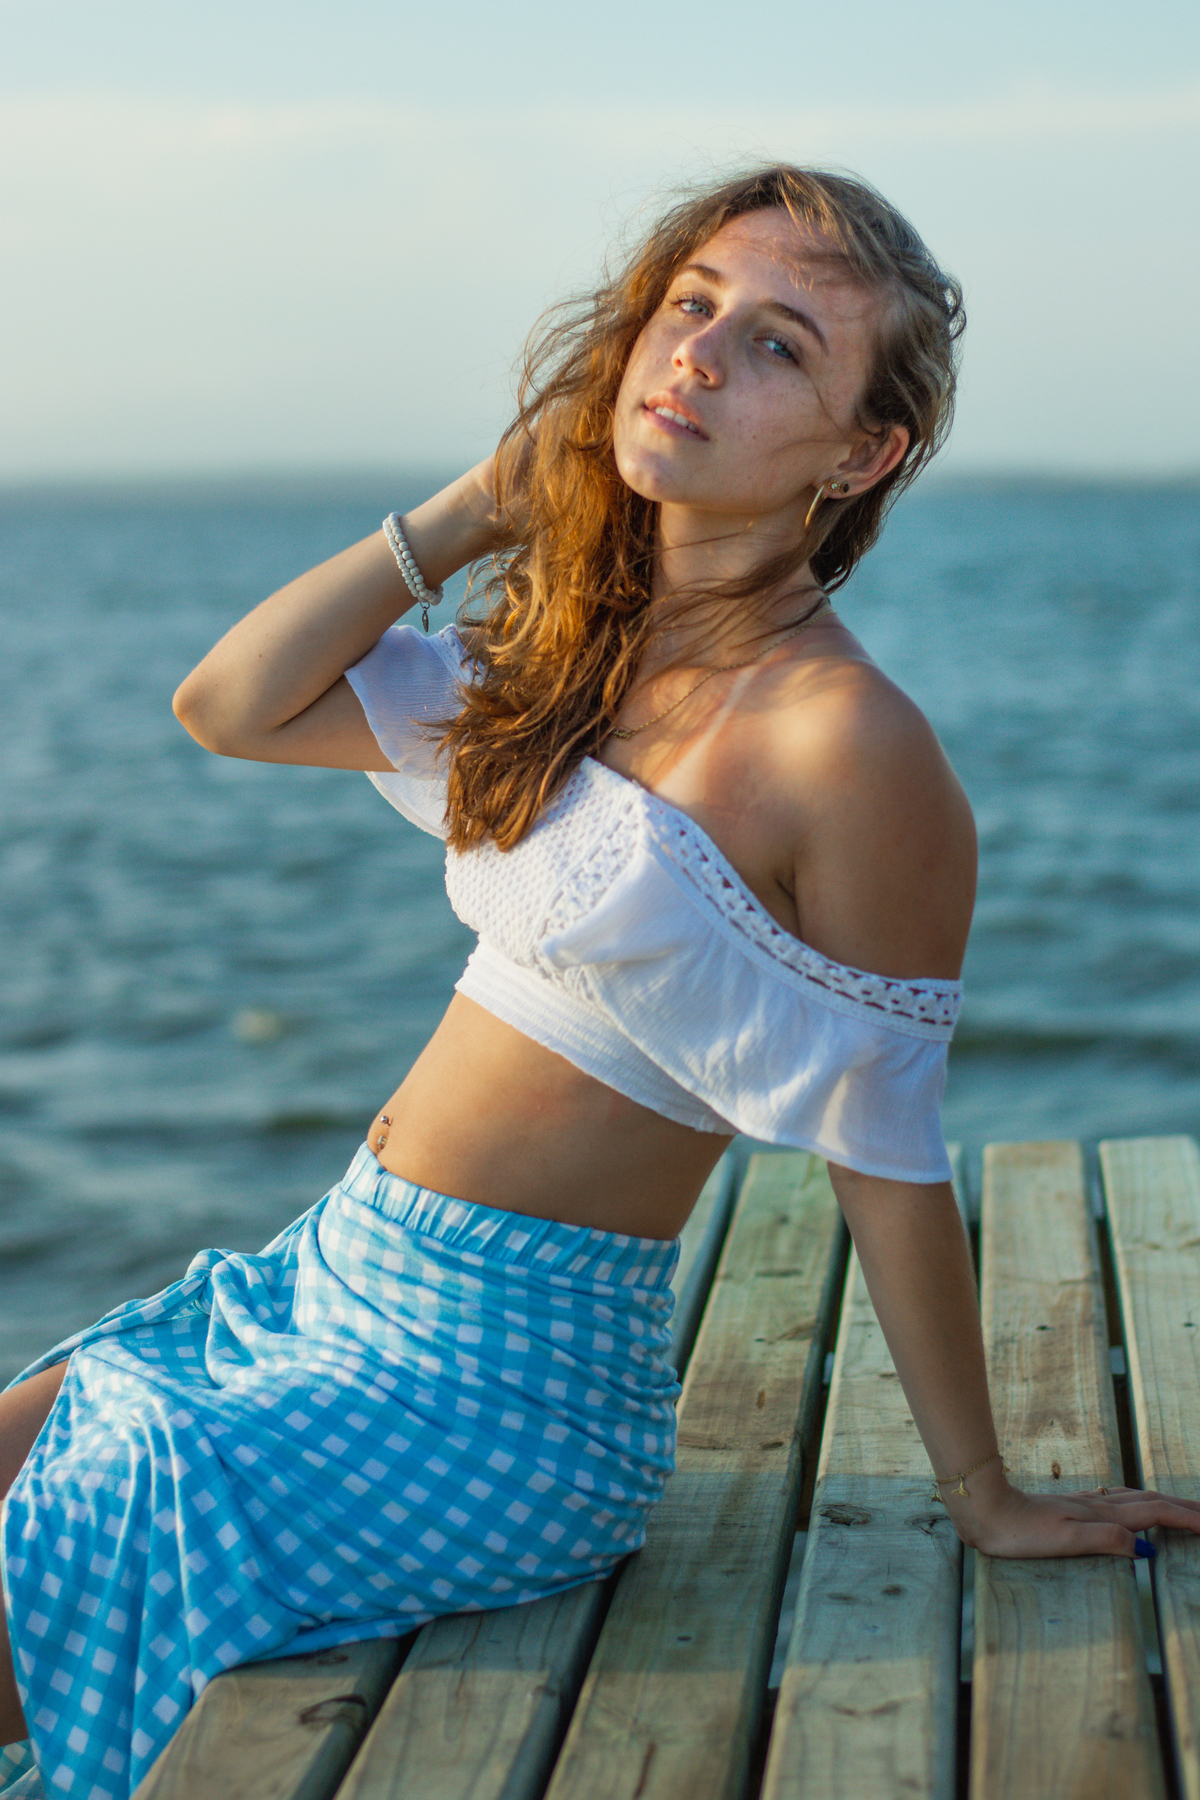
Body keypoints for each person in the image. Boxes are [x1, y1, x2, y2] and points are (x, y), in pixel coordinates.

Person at [3, 164, 1198, 1800]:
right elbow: (229, 704)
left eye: (780, 344)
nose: (699, 352)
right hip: (322, 1284)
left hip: (491, 1393)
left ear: (864, 456)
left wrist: (983, 1492)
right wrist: (480, 507)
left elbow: (887, 1145)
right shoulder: (579, 652)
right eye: (691, 303)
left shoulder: (847, 747)